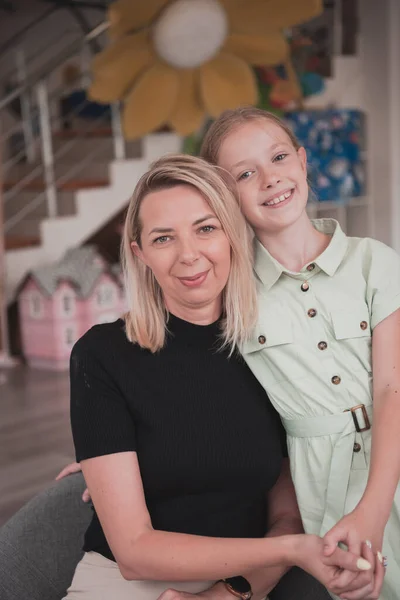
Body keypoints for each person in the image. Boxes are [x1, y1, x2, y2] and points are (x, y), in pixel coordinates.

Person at [60, 154, 374, 600]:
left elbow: (286, 515)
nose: (189, 255)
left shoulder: (274, 350)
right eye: (163, 238)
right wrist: (291, 550)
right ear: (140, 253)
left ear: (233, 235)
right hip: (123, 584)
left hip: (248, 583)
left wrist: (229, 594)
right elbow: (133, 552)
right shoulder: (101, 354)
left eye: (206, 228)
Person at [199, 106, 400, 600]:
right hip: (318, 487)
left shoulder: (373, 260)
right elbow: (180, 377)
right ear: (227, 196)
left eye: (279, 157)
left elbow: (393, 387)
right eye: (246, 173)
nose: (270, 179)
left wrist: (374, 509)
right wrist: (114, 448)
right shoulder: (233, 294)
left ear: (303, 161)